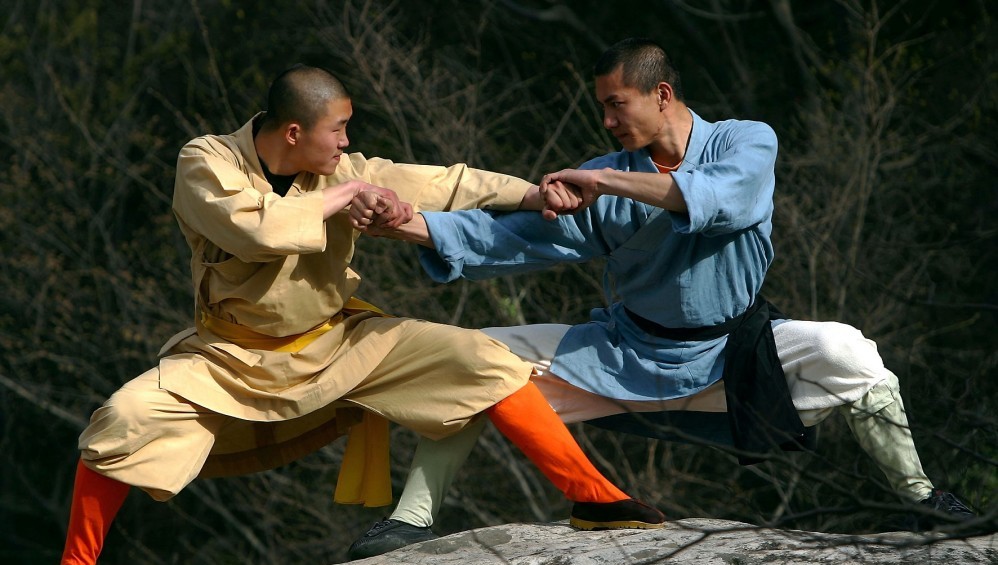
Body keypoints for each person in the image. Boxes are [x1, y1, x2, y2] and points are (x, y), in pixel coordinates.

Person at [347, 37, 978, 557]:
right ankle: (412, 521)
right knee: (476, 359)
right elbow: (506, 239)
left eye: (616, 105)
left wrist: (600, 178)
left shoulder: (744, 140)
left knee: (851, 351)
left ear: (663, 94)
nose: (608, 121)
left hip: (736, 354)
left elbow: (717, 199)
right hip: (623, 354)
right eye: (603, 108)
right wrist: (403, 224)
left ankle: (921, 498)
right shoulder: (610, 173)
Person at [59, 64, 667, 565]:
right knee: (123, 418)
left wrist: (536, 194)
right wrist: (347, 196)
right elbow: (259, 230)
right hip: (229, 359)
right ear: (293, 133)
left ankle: (596, 499)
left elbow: (445, 184)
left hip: (339, 343)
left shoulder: (338, 169)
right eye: (339, 130)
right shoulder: (206, 161)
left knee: (483, 358)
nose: (348, 144)